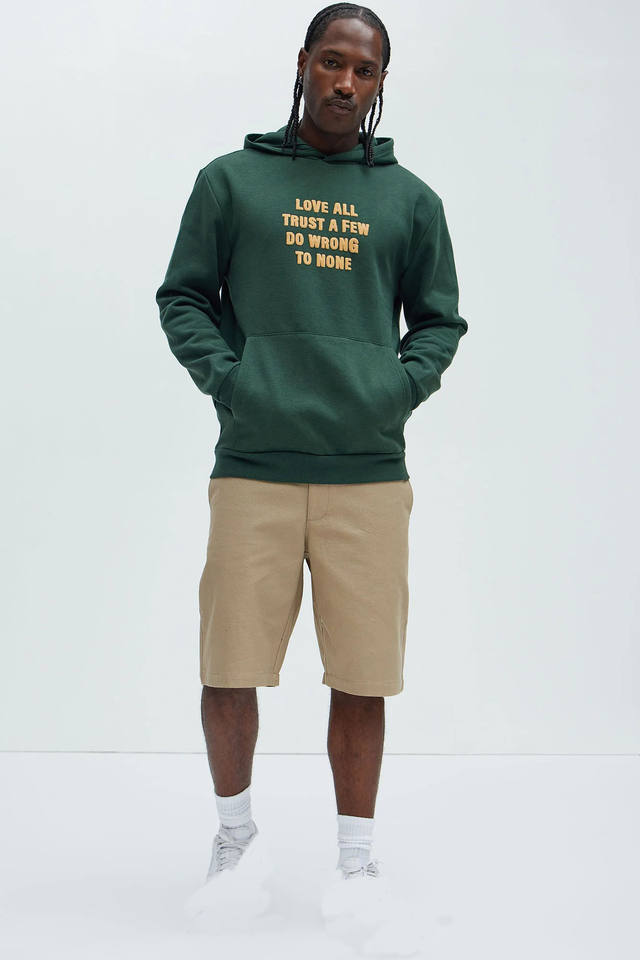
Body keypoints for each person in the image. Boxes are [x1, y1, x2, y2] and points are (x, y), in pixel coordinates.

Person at [156, 0, 468, 918]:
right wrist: (234, 383)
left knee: (364, 675)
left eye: (363, 70)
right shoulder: (231, 181)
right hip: (253, 463)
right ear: (302, 63)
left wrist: (392, 391)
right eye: (332, 61)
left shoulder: (411, 201)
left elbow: (439, 321)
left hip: (366, 473)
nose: (344, 82)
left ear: (380, 84)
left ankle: (357, 863)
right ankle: (234, 842)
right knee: (228, 666)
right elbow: (183, 297)